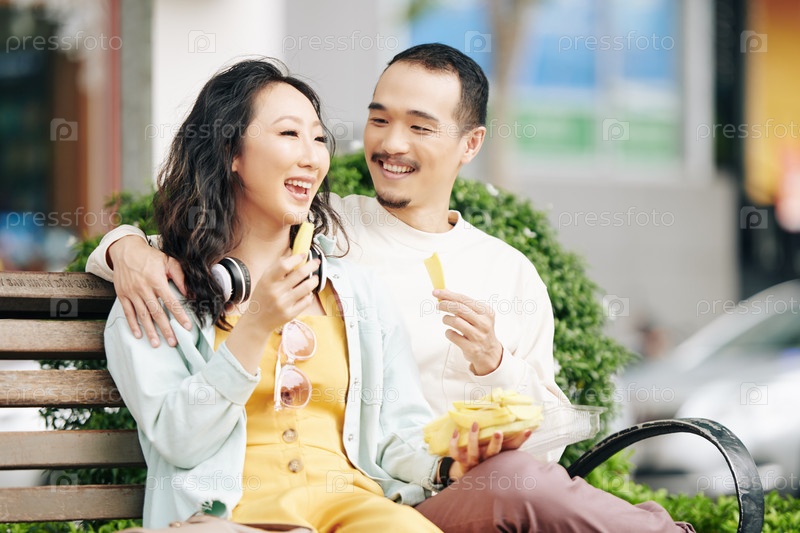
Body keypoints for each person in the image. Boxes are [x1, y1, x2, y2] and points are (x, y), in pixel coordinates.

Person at [92, 45, 693, 532]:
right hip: (241, 513)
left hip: (384, 499)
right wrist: (126, 249)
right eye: (378, 120)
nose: (389, 144)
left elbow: (409, 435)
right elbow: (179, 429)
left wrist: (476, 405)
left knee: (524, 481)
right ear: (231, 152)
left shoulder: (386, 283)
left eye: (319, 138)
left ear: (470, 145)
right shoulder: (322, 236)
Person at [104, 57, 515, 531]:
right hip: (231, 517)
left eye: (319, 138)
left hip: (353, 508)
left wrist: (445, 465)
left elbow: (396, 435)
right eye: (288, 134)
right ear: (230, 152)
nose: (312, 156)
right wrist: (254, 327)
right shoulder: (155, 294)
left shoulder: (358, 293)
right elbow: (179, 440)